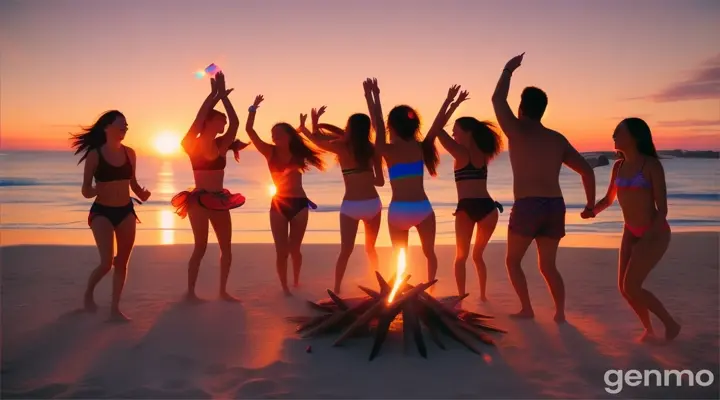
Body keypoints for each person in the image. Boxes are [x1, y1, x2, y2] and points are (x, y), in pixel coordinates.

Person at [491, 53, 596, 322]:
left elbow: (496, 100)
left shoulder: (515, 129)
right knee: (548, 266)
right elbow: (586, 170)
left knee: (513, 262)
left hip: (528, 205)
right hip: (554, 205)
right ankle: (560, 313)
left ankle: (527, 309)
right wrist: (589, 205)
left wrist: (508, 70)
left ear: (521, 109)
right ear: (543, 110)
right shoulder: (556, 138)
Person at [586, 118, 680, 342]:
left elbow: (663, 209)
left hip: (654, 232)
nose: (613, 135)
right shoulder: (618, 166)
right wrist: (593, 211)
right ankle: (649, 329)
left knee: (632, 286)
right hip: (630, 230)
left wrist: (647, 238)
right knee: (624, 288)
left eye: (618, 131)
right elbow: (609, 199)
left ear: (635, 136)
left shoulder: (651, 165)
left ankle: (671, 324)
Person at [172, 72, 249, 302]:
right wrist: (213, 96)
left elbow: (235, 123)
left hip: (219, 199)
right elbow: (197, 120)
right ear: (211, 121)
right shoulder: (191, 144)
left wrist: (224, 97)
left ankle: (223, 291)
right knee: (201, 247)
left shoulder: (222, 144)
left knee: (226, 248)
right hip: (198, 200)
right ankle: (191, 292)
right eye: (220, 120)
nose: (225, 123)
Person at [71, 110, 151, 321]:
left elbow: (132, 182)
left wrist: (141, 193)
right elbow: (85, 190)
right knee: (106, 263)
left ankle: (114, 309)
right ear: (107, 127)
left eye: (126, 126)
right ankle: (89, 293)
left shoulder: (130, 153)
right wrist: (99, 189)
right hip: (102, 212)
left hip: (126, 211)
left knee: (122, 262)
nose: (125, 128)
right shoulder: (95, 155)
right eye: (120, 125)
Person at [297, 102, 384, 294]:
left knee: (345, 251)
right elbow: (380, 181)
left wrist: (310, 126)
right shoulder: (372, 150)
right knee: (371, 249)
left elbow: (317, 141)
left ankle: (336, 290)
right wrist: (364, 175)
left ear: (350, 129)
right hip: (372, 204)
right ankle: (379, 285)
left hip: (351, 206)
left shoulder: (341, 148)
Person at [427, 85, 504, 300]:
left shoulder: (460, 153)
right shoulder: (484, 153)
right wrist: (455, 104)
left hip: (467, 208)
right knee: (478, 257)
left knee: (460, 257)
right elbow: (444, 129)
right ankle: (483, 296)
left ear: (466, 132)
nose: (453, 133)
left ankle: (461, 297)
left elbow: (437, 128)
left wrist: (452, 103)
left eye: (456, 130)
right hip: (489, 208)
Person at [245, 94, 325, 296]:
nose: (273, 137)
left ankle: (296, 280)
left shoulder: (298, 153)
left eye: (278, 134)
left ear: (289, 136)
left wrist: (314, 125)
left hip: (299, 204)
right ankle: (284, 286)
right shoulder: (269, 152)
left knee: (295, 249)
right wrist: (253, 109)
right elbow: (250, 131)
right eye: (272, 134)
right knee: (281, 251)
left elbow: (318, 142)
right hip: (279, 204)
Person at [365, 78, 440, 284]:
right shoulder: (420, 147)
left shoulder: (387, 150)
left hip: (399, 210)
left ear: (392, 126)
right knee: (429, 253)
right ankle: (430, 287)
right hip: (422, 208)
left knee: (400, 254)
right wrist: (451, 102)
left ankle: (399, 287)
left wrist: (372, 96)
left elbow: (377, 124)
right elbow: (437, 124)